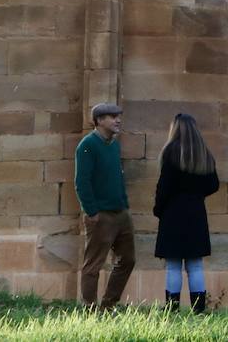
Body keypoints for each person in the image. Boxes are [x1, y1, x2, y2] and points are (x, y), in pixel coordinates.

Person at [154, 113, 220, 313]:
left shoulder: (171, 152)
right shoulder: (204, 153)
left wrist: (158, 209)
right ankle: (198, 310)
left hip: (173, 214)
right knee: (196, 266)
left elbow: (164, 187)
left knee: (173, 265)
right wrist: (196, 194)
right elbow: (213, 184)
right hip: (196, 214)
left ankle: (171, 310)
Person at [74, 102, 135, 309]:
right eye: (112, 116)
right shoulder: (87, 145)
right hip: (101, 215)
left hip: (121, 213)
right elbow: (81, 182)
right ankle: (89, 309)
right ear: (99, 120)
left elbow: (118, 177)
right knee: (93, 265)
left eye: (119, 116)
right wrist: (91, 211)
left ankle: (108, 305)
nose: (118, 120)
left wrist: (125, 205)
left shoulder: (114, 144)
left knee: (128, 260)